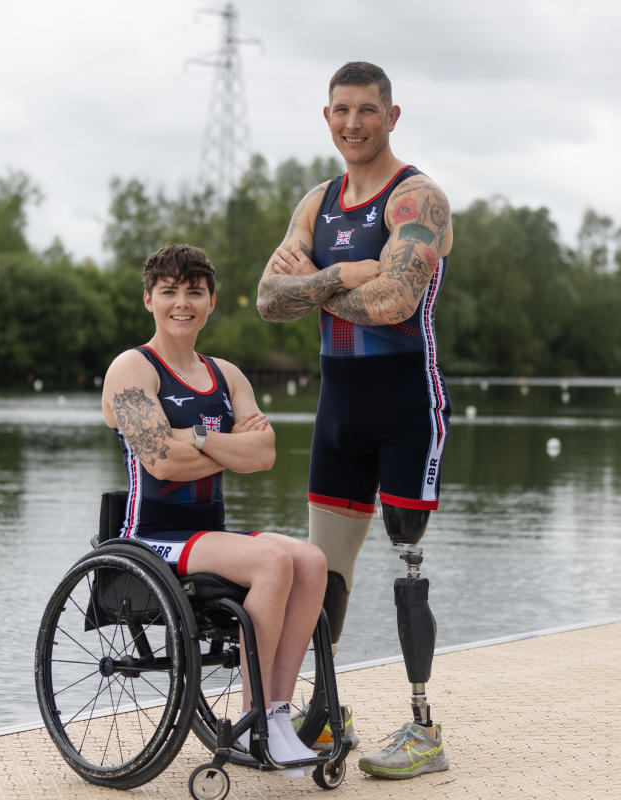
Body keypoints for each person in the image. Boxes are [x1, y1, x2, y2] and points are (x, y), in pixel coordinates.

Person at [255, 61, 453, 779]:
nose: (352, 124)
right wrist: (342, 275)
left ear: (391, 117)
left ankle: (423, 729)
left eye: (367, 110)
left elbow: (396, 302)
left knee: (407, 564)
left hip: (406, 406)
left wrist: (308, 287)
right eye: (340, 110)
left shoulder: (418, 199)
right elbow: (266, 300)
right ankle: (325, 711)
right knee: (321, 573)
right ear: (326, 115)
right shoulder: (318, 202)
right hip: (337, 408)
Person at [103, 242, 328, 777]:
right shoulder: (132, 369)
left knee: (312, 561)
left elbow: (266, 453)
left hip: (210, 538)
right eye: (169, 292)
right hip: (153, 538)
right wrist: (227, 445)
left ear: (211, 302)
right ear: (149, 300)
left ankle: (276, 712)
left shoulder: (226, 374)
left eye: (194, 293)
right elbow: (161, 463)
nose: (182, 303)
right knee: (272, 562)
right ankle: (254, 723)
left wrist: (198, 436)